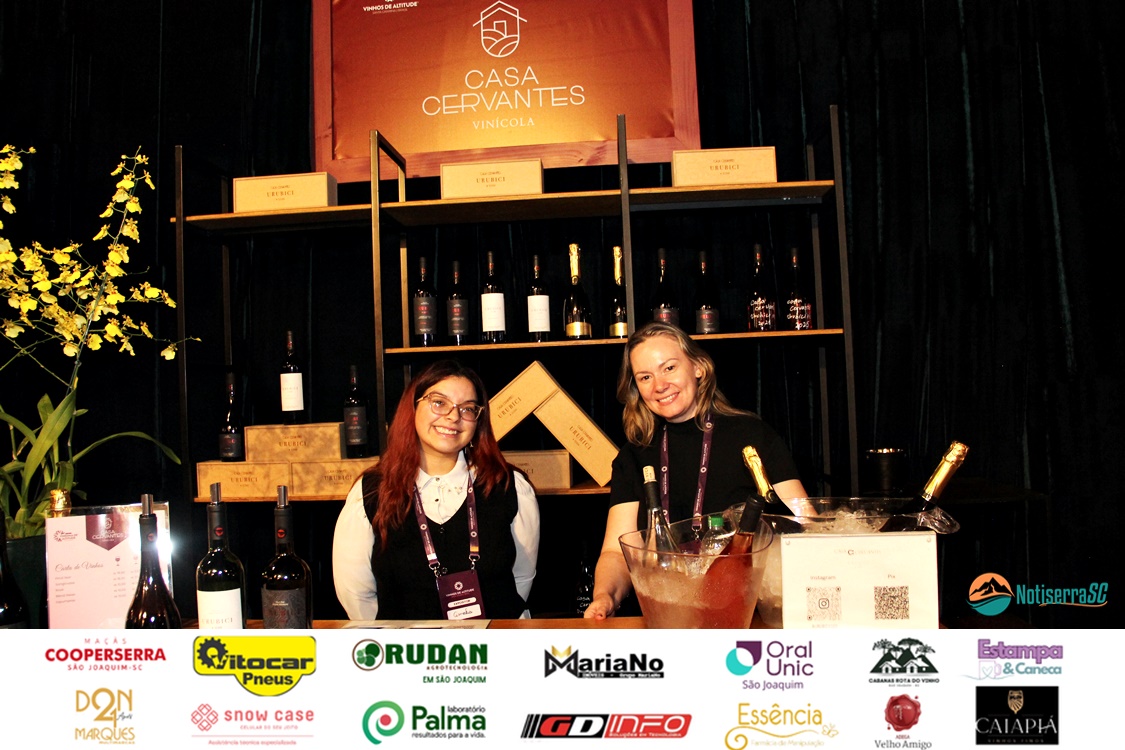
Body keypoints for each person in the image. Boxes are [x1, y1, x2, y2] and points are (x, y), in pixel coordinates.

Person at [584, 321, 808, 619]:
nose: (659, 385)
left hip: (746, 620)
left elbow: (803, 526)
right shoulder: (634, 455)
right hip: (667, 617)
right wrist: (604, 598)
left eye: (669, 368)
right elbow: (616, 553)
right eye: (645, 377)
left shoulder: (752, 435)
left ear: (698, 367)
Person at [333, 359, 540, 620]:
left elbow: (521, 578)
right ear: (412, 407)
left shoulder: (510, 486)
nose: (454, 417)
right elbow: (356, 594)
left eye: (467, 408)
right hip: (407, 645)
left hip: (493, 643)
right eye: (439, 403)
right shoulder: (372, 492)